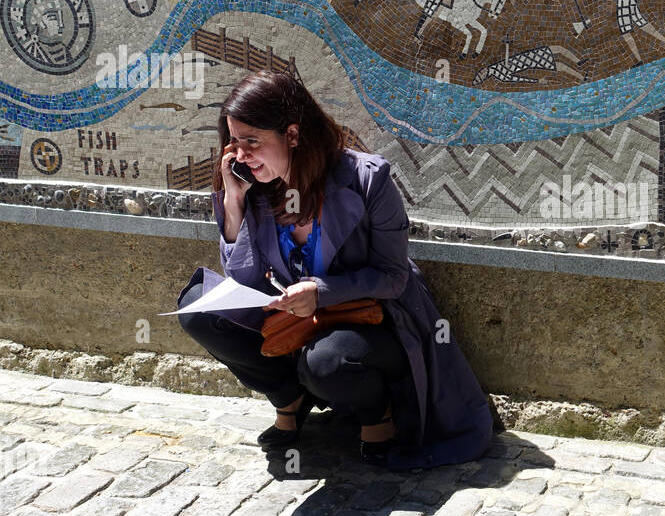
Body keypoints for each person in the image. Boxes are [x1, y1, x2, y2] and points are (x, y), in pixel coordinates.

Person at [174, 69, 494, 469]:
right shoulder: (253, 187)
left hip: (370, 323)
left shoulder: (366, 180)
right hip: (294, 322)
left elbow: (392, 277)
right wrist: (234, 205)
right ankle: (289, 397)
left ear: (292, 135)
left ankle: (378, 417)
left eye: (252, 141)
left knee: (328, 361)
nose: (240, 155)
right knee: (198, 307)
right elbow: (245, 282)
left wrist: (319, 292)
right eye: (234, 142)